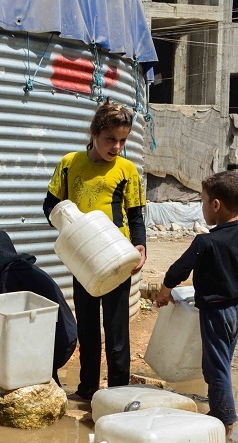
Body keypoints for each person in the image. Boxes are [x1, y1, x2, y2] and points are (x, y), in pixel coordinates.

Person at [42, 102, 147, 402]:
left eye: (123, 141)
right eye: (110, 139)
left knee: (116, 331)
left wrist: (140, 245)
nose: (117, 147)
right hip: (84, 258)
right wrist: (69, 226)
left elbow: (136, 215)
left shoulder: (126, 170)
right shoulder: (69, 164)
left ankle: (117, 392)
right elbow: (50, 204)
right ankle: (88, 388)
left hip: (116, 256)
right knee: (87, 326)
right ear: (93, 134)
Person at [155, 171, 238, 437]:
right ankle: (222, 412)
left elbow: (180, 269)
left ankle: (223, 418)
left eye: (202, 202)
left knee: (216, 368)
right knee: (223, 361)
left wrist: (165, 291)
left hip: (216, 311)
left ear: (216, 205)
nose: (202, 208)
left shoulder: (205, 242)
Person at [0, 230, 76, 384]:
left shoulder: (9, 276)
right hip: (66, 337)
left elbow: (2, 320)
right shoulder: (26, 269)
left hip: (54, 345)